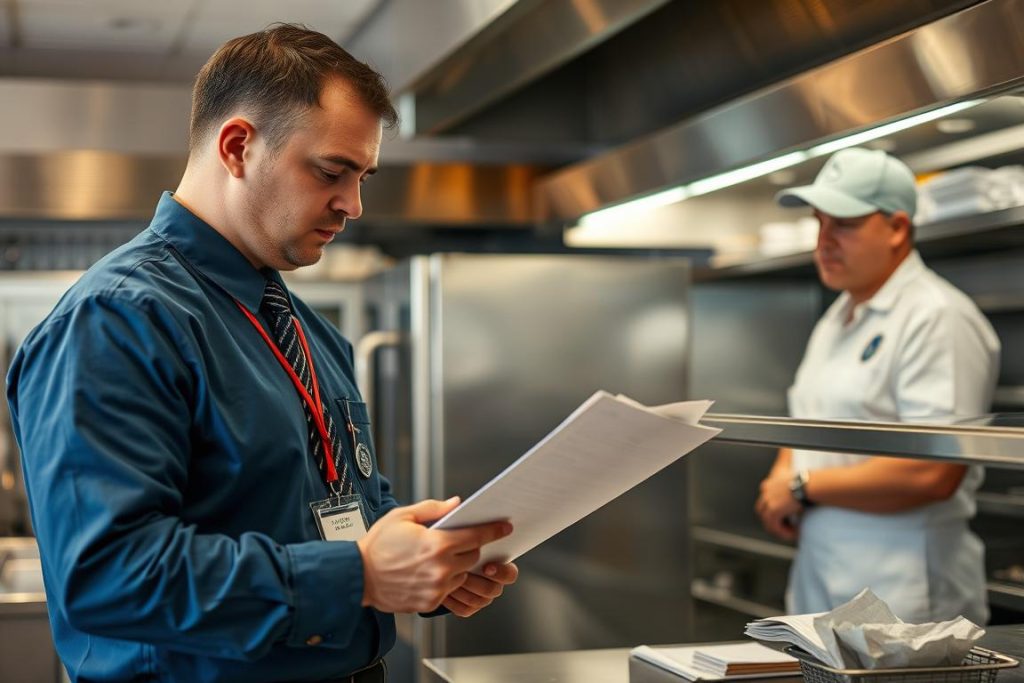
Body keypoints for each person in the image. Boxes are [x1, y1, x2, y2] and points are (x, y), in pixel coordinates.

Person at [6, 24, 518, 683]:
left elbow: (328, 512)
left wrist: (424, 561)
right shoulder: (118, 319)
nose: (353, 205)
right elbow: (107, 573)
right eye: (332, 171)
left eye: (362, 176)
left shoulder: (308, 331)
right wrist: (358, 573)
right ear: (238, 145)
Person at [755, 147, 999, 625]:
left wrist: (802, 488)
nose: (823, 241)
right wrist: (780, 478)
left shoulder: (936, 316)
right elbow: (806, 418)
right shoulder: (835, 319)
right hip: (820, 579)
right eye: (818, 223)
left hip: (904, 595)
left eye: (843, 224)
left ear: (897, 228)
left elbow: (932, 472)